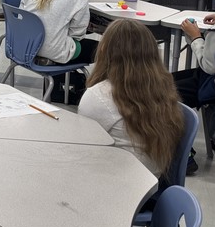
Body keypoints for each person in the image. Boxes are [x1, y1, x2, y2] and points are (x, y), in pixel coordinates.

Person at [79, 19, 186, 177]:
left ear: (103, 51)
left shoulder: (100, 96)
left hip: (116, 184)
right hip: (149, 180)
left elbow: (81, 149)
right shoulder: (163, 88)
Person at [21, 0, 99, 103]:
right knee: (105, 50)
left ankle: (67, 84)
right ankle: (86, 90)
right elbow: (78, 32)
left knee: (58, 38)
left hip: (25, 47)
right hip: (53, 51)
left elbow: (23, 16)